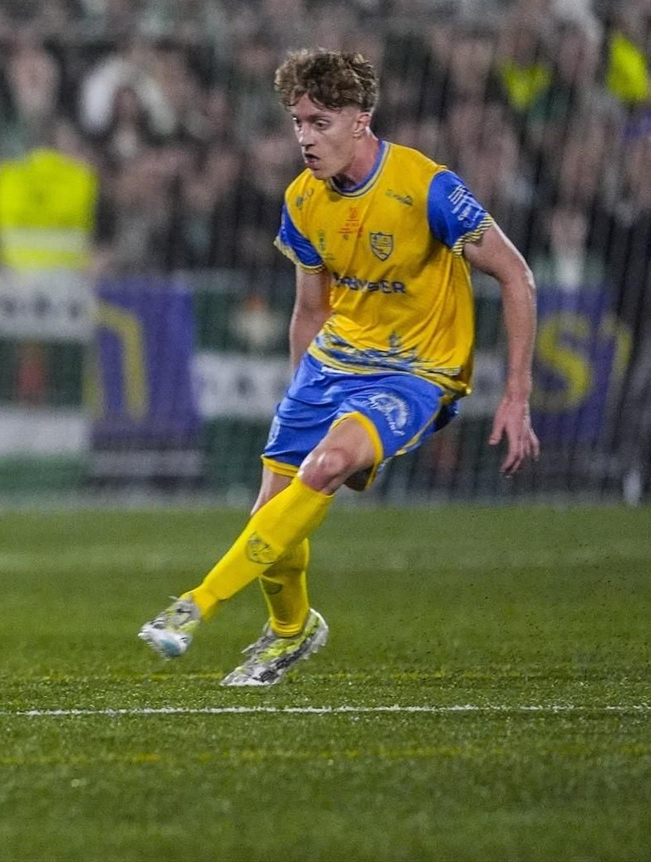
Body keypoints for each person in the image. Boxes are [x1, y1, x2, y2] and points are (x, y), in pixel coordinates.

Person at [139, 49, 540, 686]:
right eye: (298, 122)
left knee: (323, 469)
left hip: (417, 373)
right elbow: (310, 307)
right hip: (331, 366)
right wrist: (303, 393)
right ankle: (293, 632)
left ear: (362, 121)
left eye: (320, 122)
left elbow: (515, 275)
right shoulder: (302, 200)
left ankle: (195, 606)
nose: (304, 137)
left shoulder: (426, 186)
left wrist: (516, 394)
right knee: (270, 522)